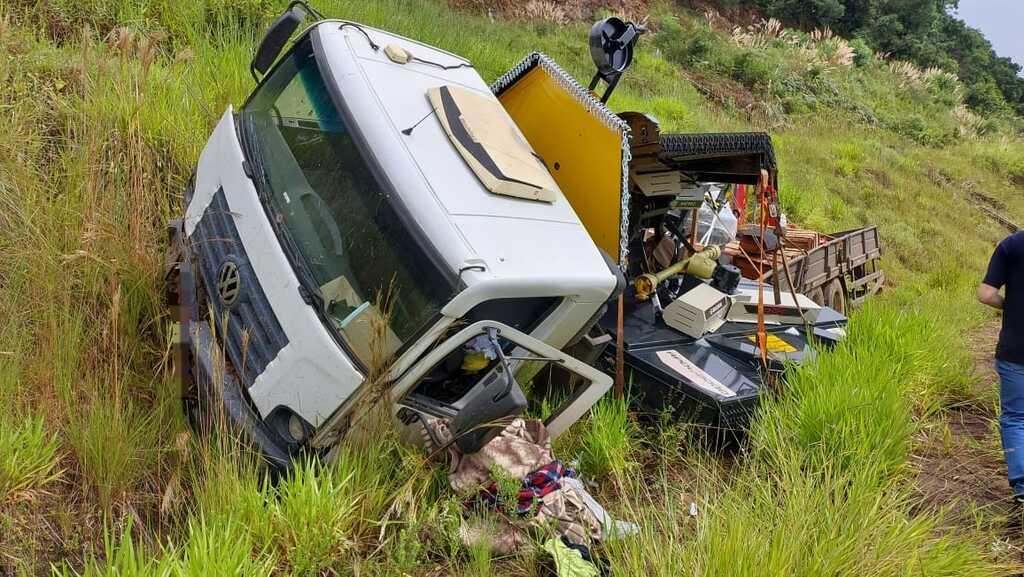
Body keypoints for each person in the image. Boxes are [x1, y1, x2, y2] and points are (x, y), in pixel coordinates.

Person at [978, 231, 1024, 501]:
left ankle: (1022, 487)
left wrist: (1010, 306)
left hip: (1015, 351)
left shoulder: (1012, 245)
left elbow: (986, 294)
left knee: (1017, 417)